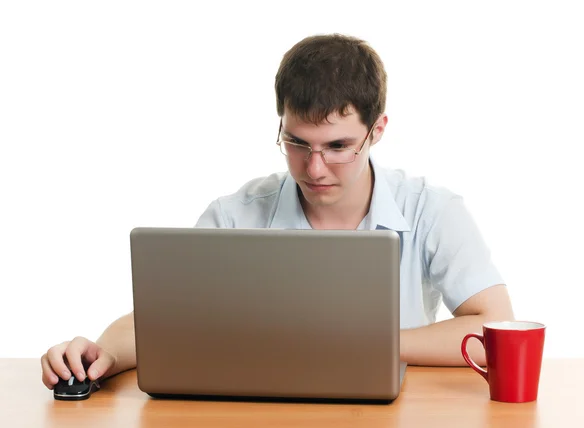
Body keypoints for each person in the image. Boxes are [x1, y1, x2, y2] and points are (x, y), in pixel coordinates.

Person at [41, 33, 514, 390]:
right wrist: (97, 353)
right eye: (296, 143)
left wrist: (363, 343)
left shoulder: (432, 209)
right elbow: (164, 321)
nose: (314, 168)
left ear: (378, 130)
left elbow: (498, 331)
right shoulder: (234, 216)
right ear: (281, 124)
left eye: (338, 146)